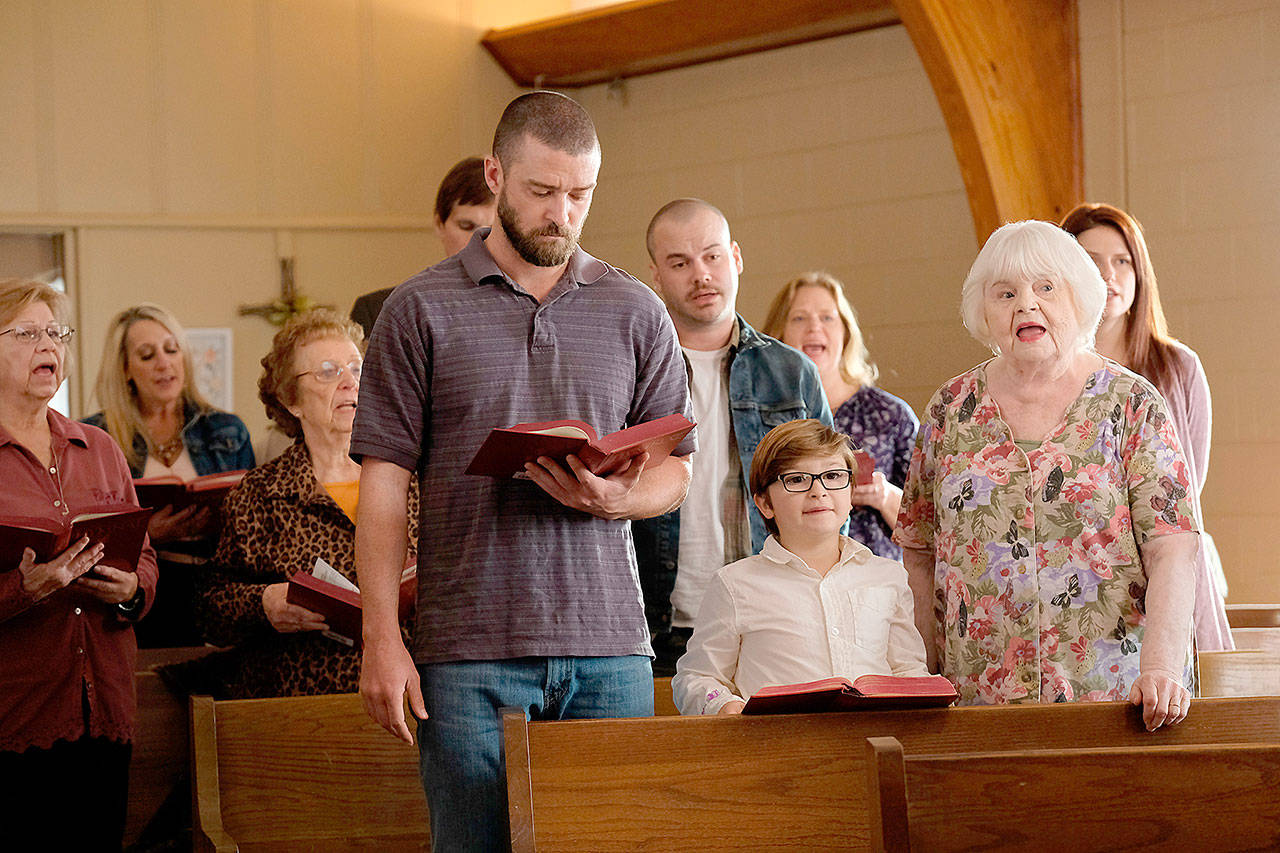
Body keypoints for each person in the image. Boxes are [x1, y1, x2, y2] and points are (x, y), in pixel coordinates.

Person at [352, 91, 694, 852]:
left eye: (580, 195)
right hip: (468, 648)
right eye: (542, 191)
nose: (561, 214)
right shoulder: (417, 308)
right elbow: (382, 486)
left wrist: (617, 498)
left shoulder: (636, 310)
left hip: (611, 645)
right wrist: (381, 636)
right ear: (495, 175)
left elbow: (676, 472)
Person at [895, 220, 1199, 731]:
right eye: (1005, 292)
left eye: (1046, 287)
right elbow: (918, 552)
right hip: (976, 700)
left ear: (1078, 299)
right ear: (983, 310)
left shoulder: (1131, 404)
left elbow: (1173, 547)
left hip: (1115, 697)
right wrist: (919, 676)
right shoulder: (950, 409)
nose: (1026, 305)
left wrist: (1162, 667)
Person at [636, 198, 831, 676]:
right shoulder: (632, 372)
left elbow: (829, 503)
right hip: (656, 628)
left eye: (712, 256)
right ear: (656, 276)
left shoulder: (792, 372)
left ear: (736, 258)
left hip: (772, 621)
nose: (700, 274)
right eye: (680, 263)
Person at [0, 278, 159, 850]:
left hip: (105, 707)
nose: (49, 347)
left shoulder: (100, 447)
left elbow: (142, 557)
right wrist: (25, 588)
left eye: (56, 333)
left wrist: (129, 589)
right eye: (26, 334)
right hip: (17, 716)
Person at [189, 309, 418, 698]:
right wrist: (264, 602)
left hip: (410, 693)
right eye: (328, 372)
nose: (349, 382)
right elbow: (210, 610)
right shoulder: (260, 493)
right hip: (301, 700)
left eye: (356, 368)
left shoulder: (412, 478)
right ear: (291, 400)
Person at [1060, 202, 1232, 652]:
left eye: (1122, 261)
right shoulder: (1047, 375)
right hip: (1081, 589)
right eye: (1091, 262)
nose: (1109, 275)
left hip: (1168, 583)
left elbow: (1187, 493)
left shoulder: (1178, 368)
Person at [672, 419, 929, 715]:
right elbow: (696, 677)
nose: (818, 491)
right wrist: (726, 706)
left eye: (833, 476)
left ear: (850, 493)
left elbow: (909, 669)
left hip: (872, 744)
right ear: (765, 503)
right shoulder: (735, 584)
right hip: (779, 751)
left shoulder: (888, 577)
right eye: (796, 479)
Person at [84, 303, 254, 645]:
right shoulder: (96, 437)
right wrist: (147, 534)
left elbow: (258, 519)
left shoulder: (226, 429)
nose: (164, 363)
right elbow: (85, 536)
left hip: (218, 583)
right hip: (143, 589)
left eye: (171, 349)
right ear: (125, 369)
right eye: (147, 355)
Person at [763, 271, 919, 560]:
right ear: (778, 333)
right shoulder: (762, 413)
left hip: (874, 583)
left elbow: (931, 523)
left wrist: (883, 495)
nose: (814, 327)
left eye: (827, 317)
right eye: (799, 318)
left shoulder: (890, 415)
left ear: (845, 333)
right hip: (788, 579)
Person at [349, 156, 497, 338]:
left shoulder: (529, 311)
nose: (478, 239)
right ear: (439, 224)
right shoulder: (377, 311)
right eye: (466, 226)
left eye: (493, 229)